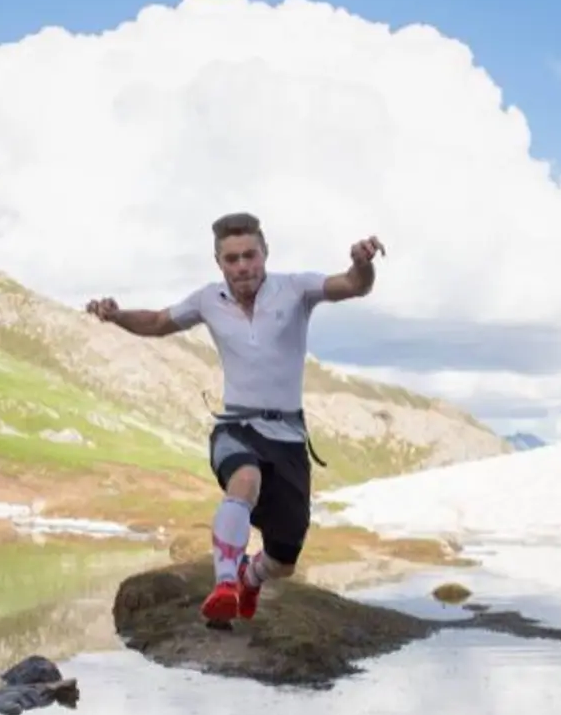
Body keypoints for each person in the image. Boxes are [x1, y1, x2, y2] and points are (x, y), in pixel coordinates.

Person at [85, 211, 384, 625]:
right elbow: (156, 322)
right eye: (232, 259)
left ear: (265, 253)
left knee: (283, 561)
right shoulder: (209, 300)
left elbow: (352, 285)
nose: (242, 267)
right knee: (244, 480)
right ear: (219, 262)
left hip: (288, 436)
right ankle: (225, 584)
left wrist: (362, 263)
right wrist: (116, 316)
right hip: (237, 427)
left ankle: (250, 575)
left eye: (250, 256)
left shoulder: (296, 289)